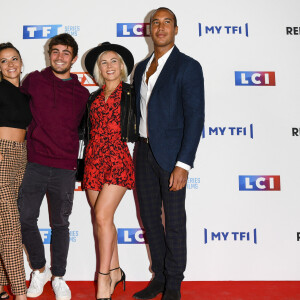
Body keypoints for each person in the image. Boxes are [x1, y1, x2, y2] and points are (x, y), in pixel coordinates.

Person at [133, 7, 205, 300]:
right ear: (148, 30)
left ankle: (174, 283)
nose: (160, 28)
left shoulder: (188, 66)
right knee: (150, 220)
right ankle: (159, 278)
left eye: (167, 22)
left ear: (176, 29)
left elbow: (195, 117)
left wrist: (183, 163)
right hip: (143, 152)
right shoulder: (140, 67)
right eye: (155, 23)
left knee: (173, 222)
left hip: (173, 157)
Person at [18, 33, 89, 300]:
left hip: (64, 168)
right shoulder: (34, 80)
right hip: (34, 162)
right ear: (49, 54)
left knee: (60, 224)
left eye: (66, 52)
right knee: (25, 219)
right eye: (55, 51)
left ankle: (59, 276)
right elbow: (16, 112)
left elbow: (85, 131)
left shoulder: (82, 93)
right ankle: (39, 269)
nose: (60, 56)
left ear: (73, 57)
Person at [83, 42, 137, 300]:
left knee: (103, 217)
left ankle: (103, 279)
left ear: (122, 66)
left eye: (114, 61)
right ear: (98, 69)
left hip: (117, 158)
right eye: (103, 62)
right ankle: (115, 270)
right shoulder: (93, 97)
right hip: (93, 160)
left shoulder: (132, 93)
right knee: (101, 220)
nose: (109, 66)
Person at [0, 42, 31, 300]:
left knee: (8, 221)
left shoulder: (25, 94)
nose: (10, 65)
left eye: (14, 59)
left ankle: (0, 284)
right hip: (0, 154)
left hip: (21, 156)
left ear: (21, 63)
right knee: (10, 226)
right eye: (3, 61)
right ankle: (20, 293)